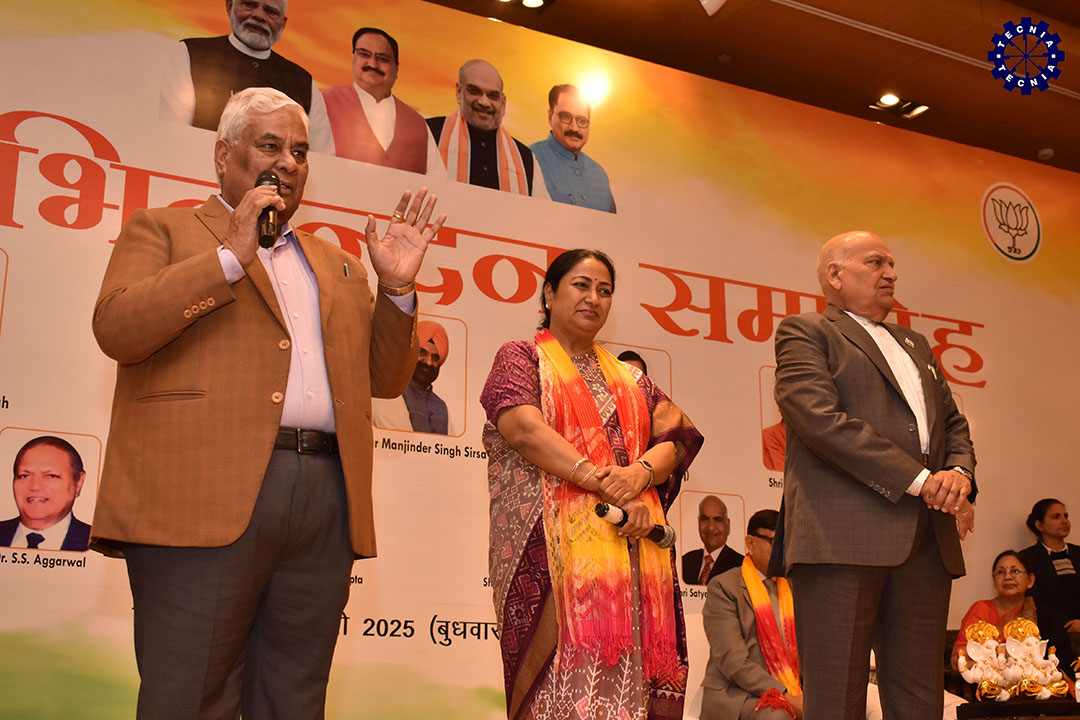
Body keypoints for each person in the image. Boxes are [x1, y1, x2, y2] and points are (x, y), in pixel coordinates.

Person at [91, 87, 445, 719]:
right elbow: (117, 328)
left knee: (294, 700)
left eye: (300, 152)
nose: (287, 161)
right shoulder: (163, 229)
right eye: (270, 145)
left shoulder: (339, 265)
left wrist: (396, 288)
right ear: (223, 156)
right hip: (202, 497)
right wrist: (229, 257)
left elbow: (386, 379)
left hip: (324, 500)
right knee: (189, 698)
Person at [480, 249, 703, 720]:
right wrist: (603, 481)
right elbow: (523, 430)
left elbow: (676, 438)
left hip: (632, 556)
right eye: (581, 285)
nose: (594, 298)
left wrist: (639, 474)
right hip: (549, 561)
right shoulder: (521, 358)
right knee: (559, 690)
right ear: (549, 293)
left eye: (604, 290)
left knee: (628, 690)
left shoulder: (632, 378)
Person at [771, 230, 976, 720]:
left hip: (927, 541)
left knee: (920, 701)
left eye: (892, 264)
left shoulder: (916, 343)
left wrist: (958, 473)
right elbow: (820, 422)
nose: (891, 274)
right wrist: (924, 481)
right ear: (835, 274)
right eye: (876, 262)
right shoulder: (806, 331)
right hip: (840, 539)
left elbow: (953, 423)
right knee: (837, 700)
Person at [159, 0, 335, 152]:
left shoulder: (303, 82)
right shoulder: (191, 53)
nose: (259, 15)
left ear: (283, 23)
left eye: (271, 11)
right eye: (249, 4)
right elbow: (173, 137)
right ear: (230, 6)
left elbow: (323, 158)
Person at [702, 509, 802, 720]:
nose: (784, 551)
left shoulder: (794, 587)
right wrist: (784, 695)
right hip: (740, 694)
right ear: (751, 543)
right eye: (776, 542)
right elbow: (733, 662)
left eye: (788, 543)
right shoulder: (724, 587)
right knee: (777, 716)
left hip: (793, 688)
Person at [322, 27, 443, 174]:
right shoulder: (323, 103)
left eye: (382, 58)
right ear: (353, 58)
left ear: (396, 69)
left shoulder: (418, 124)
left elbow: (437, 181)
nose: (373, 64)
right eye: (364, 54)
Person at [428, 59, 544, 196]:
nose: (484, 102)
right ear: (459, 92)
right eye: (474, 91)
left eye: (493, 96)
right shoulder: (428, 134)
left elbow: (541, 208)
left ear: (503, 103)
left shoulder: (525, 159)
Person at [530, 84, 615, 213]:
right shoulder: (528, 160)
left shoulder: (600, 175)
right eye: (566, 117)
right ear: (550, 116)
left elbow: (611, 224)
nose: (574, 128)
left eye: (582, 120)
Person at [1019, 498, 1080, 671]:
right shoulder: (1027, 558)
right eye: (1056, 517)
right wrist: (1067, 624)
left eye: (1065, 516)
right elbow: (1034, 600)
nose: (1064, 521)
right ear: (1039, 525)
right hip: (1050, 636)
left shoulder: (1078, 553)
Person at [0, 436, 91, 551]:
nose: (35, 486)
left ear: (78, 482)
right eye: (24, 476)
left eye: (51, 476)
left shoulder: (95, 543)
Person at [951, 550, 1037, 670]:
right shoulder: (981, 609)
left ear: (1030, 580)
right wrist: (999, 669)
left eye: (1015, 571)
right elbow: (959, 660)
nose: (1008, 577)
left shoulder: (1039, 613)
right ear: (994, 580)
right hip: (986, 678)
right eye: (1001, 572)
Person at [371, 320, 455, 434]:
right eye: (422, 352)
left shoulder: (441, 406)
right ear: (410, 354)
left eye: (435, 358)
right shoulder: (389, 394)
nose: (428, 362)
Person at [682, 495, 742, 586]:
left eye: (718, 520)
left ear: (728, 525)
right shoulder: (685, 562)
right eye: (705, 519)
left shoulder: (741, 566)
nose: (710, 527)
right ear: (698, 522)